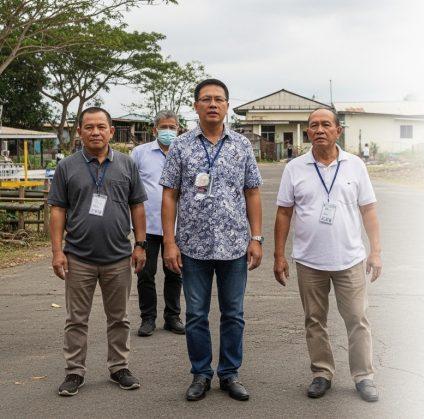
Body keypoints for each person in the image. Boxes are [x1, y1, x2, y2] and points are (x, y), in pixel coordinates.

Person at [160, 79, 263, 402]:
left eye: (219, 99)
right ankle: (201, 374)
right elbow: (169, 195)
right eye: (206, 99)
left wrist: (256, 237)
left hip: (234, 245)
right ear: (196, 106)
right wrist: (169, 242)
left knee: (233, 314)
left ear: (228, 105)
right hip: (192, 246)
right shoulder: (181, 145)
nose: (213, 104)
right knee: (195, 315)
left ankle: (230, 373)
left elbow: (252, 191)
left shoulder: (242, 145)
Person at [274, 108, 383, 402]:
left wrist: (376, 251)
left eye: (325, 124)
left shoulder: (355, 165)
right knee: (314, 319)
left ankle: (364, 376)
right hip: (310, 260)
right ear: (308, 133)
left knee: (357, 318)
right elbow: (284, 213)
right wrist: (278, 255)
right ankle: (322, 373)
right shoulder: (295, 168)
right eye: (313, 126)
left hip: (350, 259)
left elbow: (368, 210)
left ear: (338, 130)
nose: (319, 129)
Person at [48, 106, 148, 396]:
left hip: (118, 256)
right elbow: (58, 211)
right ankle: (74, 372)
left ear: (111, 131)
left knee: (119, 318)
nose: (95, 132)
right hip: (78, 257)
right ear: (79, 131)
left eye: (101, 127)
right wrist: (57, 251)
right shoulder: (67, 166)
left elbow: (137, 206)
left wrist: (139, 244)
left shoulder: (127, 165)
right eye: (89, 127)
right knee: (76, 320)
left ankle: (119, 367)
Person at [130, 110, 184, 337]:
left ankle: (172, 317)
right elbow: (130, 188)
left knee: (175, 271)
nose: (169, 132)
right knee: (145, 273)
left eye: (173, 127)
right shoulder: (139, 154)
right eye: (164, 127)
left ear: (179, 129)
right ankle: (148, 318)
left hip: (178, 224)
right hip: (148, 225)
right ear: (155, 130)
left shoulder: (185, 152)